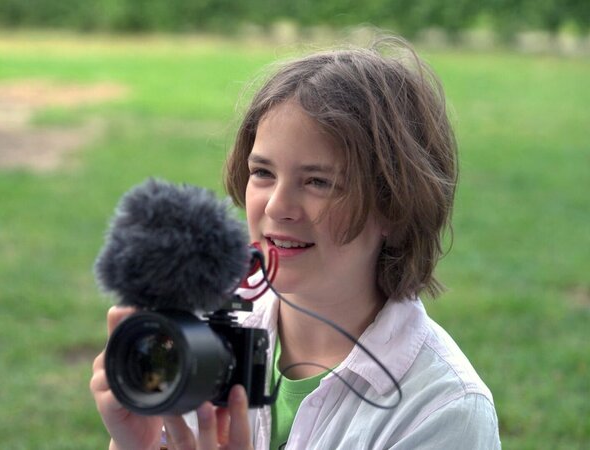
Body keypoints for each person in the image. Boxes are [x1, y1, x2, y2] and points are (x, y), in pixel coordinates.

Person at [90, 34, 501, 450]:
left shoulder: (444, 411)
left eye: (318, 182)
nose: (277, 206)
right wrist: (132, 445)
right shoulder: (199, 334)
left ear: (395, 207)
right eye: (263, 173)